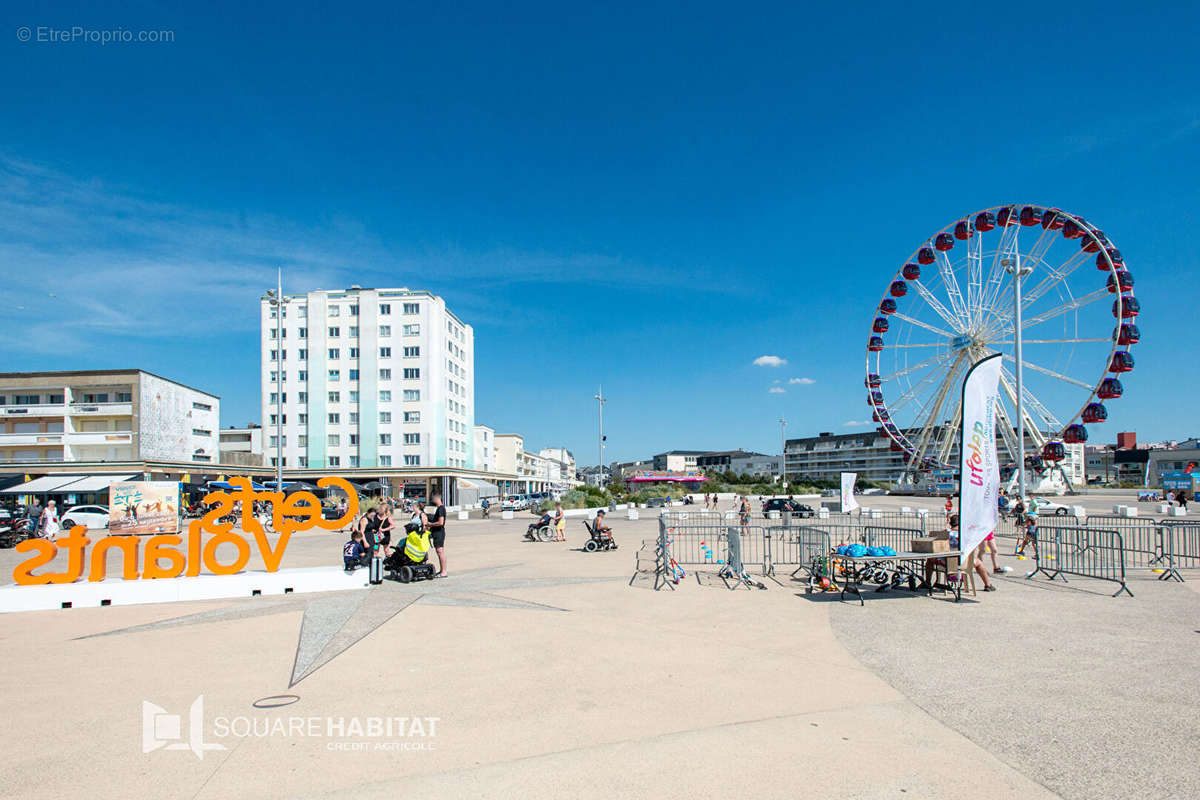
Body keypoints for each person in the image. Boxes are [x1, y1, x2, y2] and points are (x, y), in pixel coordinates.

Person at [428, 492, 448, 577]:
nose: (432, 500)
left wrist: (430, 524)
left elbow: (440, 522)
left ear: (437, 499)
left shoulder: (441, 509)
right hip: (437, 532)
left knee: (440, 552)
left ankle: (443, 571)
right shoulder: (439, 508)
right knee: (439, 551)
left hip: (439, 532)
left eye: (433, 499)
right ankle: (442, 570)